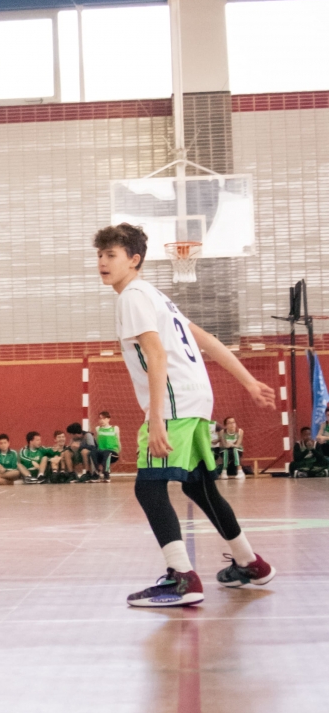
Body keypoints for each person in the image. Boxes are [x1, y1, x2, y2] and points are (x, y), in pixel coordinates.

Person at [94, 222, 276, 609]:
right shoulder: (156, 296)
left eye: (111, 255)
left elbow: (156, 354)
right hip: (197, 399)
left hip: (175, 402)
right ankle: (250, 563)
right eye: (100, 254)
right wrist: (247, 381)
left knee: (148, 487)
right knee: (198, 487)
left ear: (134, 259)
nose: (102, 262)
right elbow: (206, 339)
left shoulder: (133, 297)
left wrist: (155, 418)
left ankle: (182, 578)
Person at [95, 411, 121, 481]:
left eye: (104, 418)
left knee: (107, 453)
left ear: (108, 419)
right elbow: (97, 441)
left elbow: (118, 441)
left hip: (112, 452)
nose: (102, 420)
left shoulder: (115, 428)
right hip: (101, 452)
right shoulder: (98, 429)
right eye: (100, 418)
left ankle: (106, 473)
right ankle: (95, 473)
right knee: (92, 453)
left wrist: (119, 451)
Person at [218, 415, 245, 479]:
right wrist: (228, 445)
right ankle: (224, 472)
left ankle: (240, 471)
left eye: (233, 422)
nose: (232, 424)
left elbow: (238, 444)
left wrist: (231, 445)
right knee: (226, 451)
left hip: (237, 450)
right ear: (225, 425)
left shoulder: (240, 431)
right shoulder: (222, 432)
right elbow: (224, 444)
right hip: (226, 450)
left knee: (235, 450)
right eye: (229, 423)